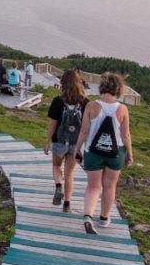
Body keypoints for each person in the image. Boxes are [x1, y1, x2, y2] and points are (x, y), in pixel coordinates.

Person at [74, 72, 134, 234]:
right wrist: (129, 153)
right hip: (115, 154)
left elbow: (84, 131)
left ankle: (88, 215)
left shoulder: (91, 106)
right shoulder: (122, 109)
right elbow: (125, 135)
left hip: (93, 152)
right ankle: (104, 218)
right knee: (110, 186)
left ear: (102, 87)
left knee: (93, 186)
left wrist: (77, 148)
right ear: (118, 89)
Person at [44, 69, 88, 213]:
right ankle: (67, 204)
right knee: (69, 175)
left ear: (62, 83)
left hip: (59, 142)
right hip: (76, 144)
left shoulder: (58, 101)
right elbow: (87, 127)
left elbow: (53, 124)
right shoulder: (85, 103)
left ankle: (58, 186)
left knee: (56, 166)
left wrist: (47, 141)